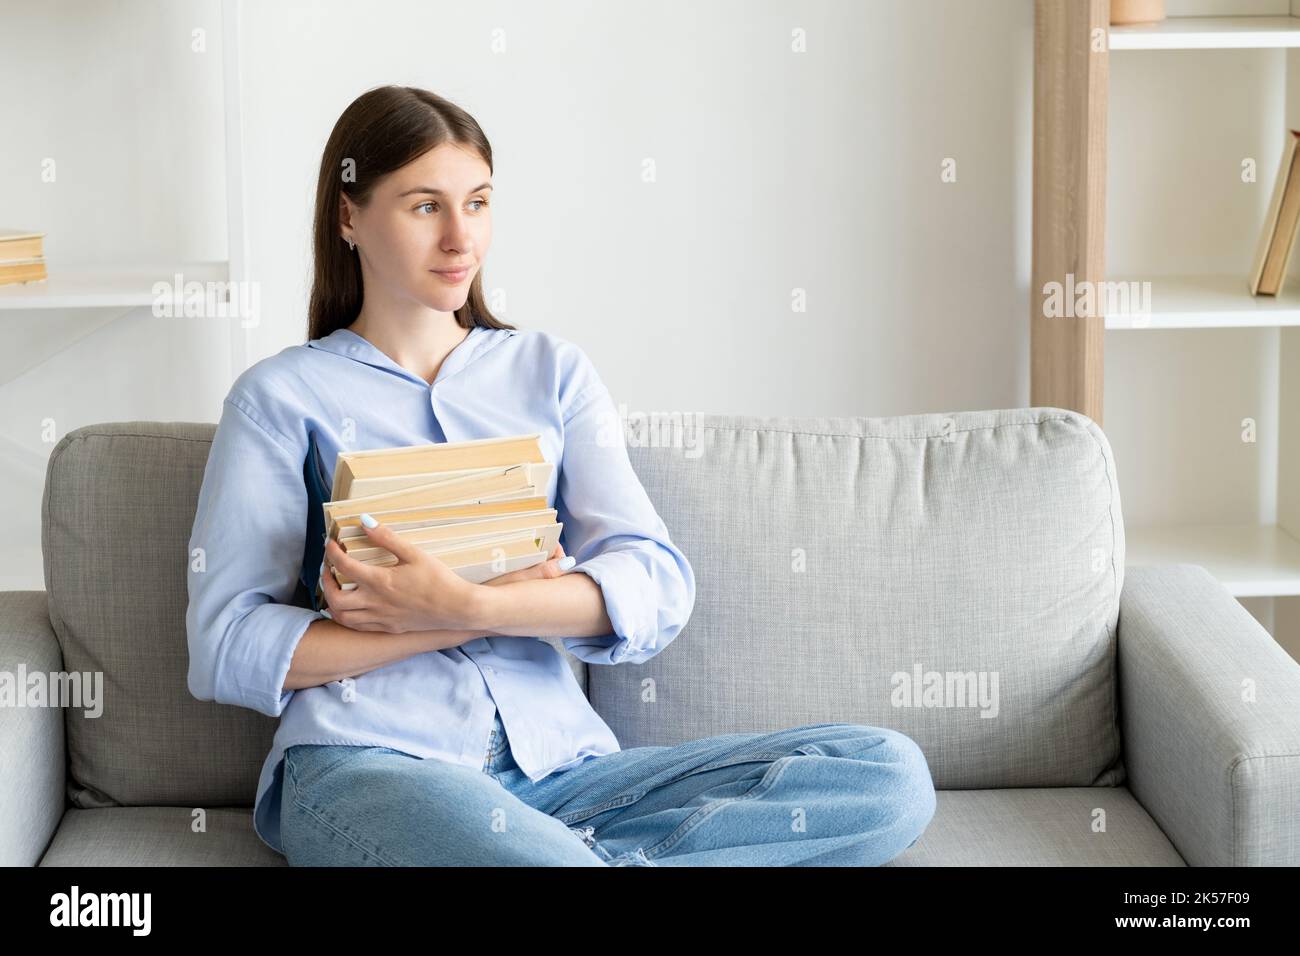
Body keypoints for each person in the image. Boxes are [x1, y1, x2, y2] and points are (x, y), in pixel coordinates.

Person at [185, 85, 937, 866]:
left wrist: (467, 603)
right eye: (423, 207)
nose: (459, 238)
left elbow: (655, 581)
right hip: (373, 764)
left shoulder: (551, 373)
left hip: (570, 776)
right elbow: (225, 642)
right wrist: (461, 617)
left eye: (476, 202)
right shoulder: (280, 397)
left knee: (885, 775)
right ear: (349, 216)